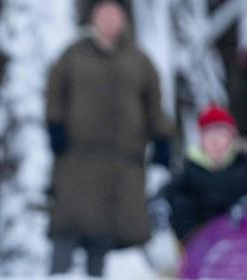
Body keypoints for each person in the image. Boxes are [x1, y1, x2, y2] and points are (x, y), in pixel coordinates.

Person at [44, 0, 173, 277]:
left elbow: (154, 104)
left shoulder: (139, 60)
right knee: (65, 224)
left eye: (114, 15)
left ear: (123, 20)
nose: (108, 21)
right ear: (92, 19)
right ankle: (56, 275)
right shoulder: (73, 55)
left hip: (120, 164)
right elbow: (54, 90)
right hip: (76, 159)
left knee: (103, 230)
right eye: (102, 15)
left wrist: (162, 140)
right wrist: (55, 127)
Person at [162, 105, 247, 242]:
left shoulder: (242, 166)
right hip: (202, 242)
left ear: (232, 138)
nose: (216, 141)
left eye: (221, 134)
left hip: (239, 243)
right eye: (210, 134)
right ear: (201, 139)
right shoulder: (189, 170)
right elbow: (173, 199)